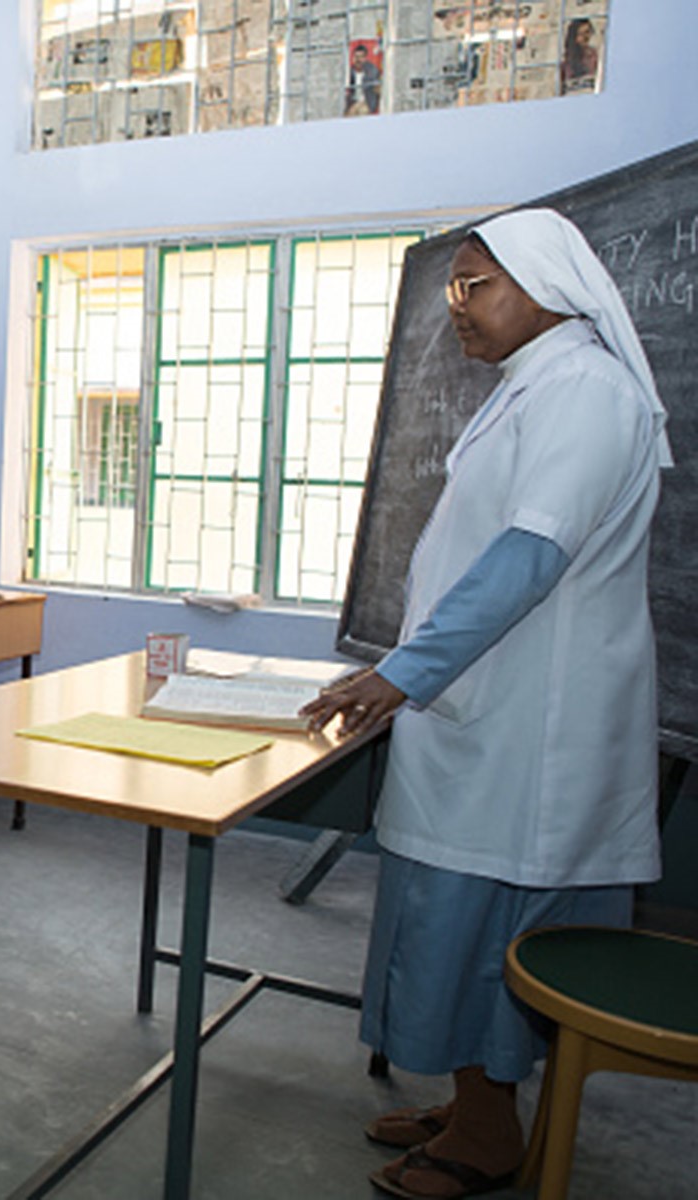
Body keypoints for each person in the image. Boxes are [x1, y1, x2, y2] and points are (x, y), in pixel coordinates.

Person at [302, 208, 669, 1200]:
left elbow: (527, 559)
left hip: (530, 735)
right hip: (483, 714)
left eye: (476, 286)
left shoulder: (586, 392)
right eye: (454, 288)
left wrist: (401, 672)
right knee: (452, 924)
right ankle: (475, 1102)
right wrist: (414, 670)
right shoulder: (531, 387)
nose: (456, 307)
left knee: (488, 931)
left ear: (546, 281)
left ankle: (489, 1133)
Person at [345, 41, 381, 116]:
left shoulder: (372, 71)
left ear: (365, 58)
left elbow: (378, 88)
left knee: (361, 112)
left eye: (361, 57)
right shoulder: (350, 72)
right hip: (353, 103)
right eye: (356, 57)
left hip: (366, 102)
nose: (358, 60)